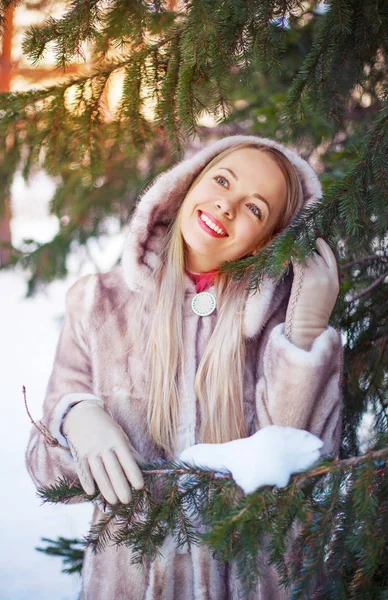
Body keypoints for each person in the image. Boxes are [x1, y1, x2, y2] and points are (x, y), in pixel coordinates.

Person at [25, 135, 343, 599]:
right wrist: (76, 419)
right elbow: (46, 474)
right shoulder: (98, 302)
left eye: (255, 208)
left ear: (269, 241)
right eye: (221, 180)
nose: (227, 206)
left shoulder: (283, 322)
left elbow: (308, 470)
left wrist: (305, 336)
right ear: (187, 184)